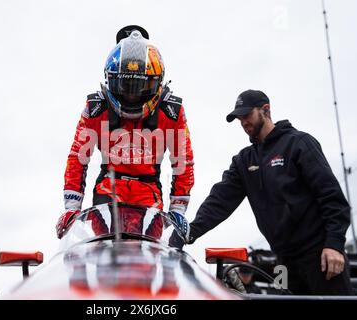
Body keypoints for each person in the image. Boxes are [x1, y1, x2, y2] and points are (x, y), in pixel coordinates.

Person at [170, 89, 354, 295]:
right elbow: (220, 201)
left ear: (266, 110)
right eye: (239, 118)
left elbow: (332, 198)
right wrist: (189, 232)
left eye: (247, 115)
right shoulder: (244, 161)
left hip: (321, 256)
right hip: (283, 262)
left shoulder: (299, 144)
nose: (243, 122)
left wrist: (335, 244)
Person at [56, 26, 194, 240]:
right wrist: (72, 208)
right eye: (125, 85)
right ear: (111, 79)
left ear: (157, 82)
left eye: (141, 86)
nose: (132, 94)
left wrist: (177, 210)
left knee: (148, 257)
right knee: (105, 252)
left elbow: (182, 162)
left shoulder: (172, 112)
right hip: (108, 188)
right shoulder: (95, 107)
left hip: (149, 191)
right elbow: (78, 157)